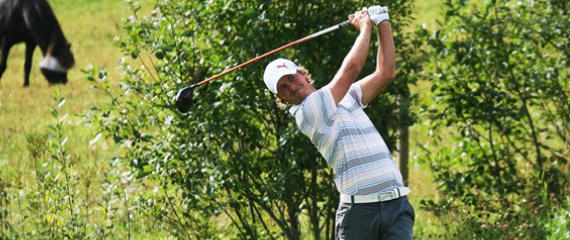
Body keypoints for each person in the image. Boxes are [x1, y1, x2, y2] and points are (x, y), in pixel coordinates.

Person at [263, 6, 414, 240]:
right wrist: (365, 27)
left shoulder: (346, 96)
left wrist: (382, 21)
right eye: (284, 87)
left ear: (302, 73)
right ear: (282, 99)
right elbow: (350, 70)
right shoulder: (308, 112)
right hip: (359, 213)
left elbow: (386, 72)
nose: (292, 86)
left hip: (396, 205)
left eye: (291, 78)